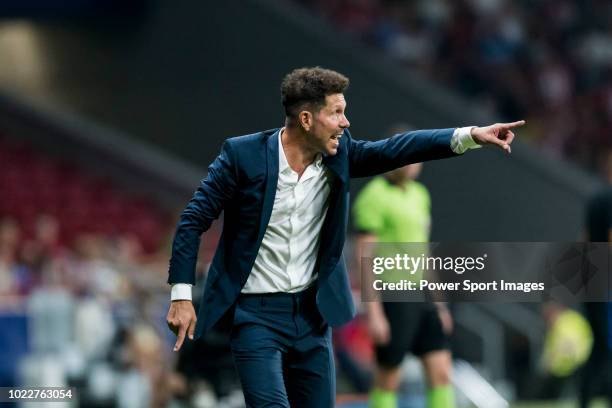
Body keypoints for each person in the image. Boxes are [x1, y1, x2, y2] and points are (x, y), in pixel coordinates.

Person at [165, 66, 524, 407]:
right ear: (306, 119)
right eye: (337, 112)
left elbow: (397, 149)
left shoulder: (341, 155)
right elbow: (192, 220)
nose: (345, 122)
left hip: (311, 315)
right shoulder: (242, 156)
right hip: (255, 316)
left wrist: (470, 136)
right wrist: (181, 296)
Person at [352, 160, 454, 408]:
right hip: (393, 293)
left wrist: (440, 304)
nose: (413, 165)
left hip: (422, 294)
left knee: (441, 371)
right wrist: (374, 312)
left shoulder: (420, 194)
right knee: (389, 377)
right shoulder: (374, 196)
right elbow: (363, 256)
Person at [581, 148, 612, 408]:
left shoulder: (596, 199)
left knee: (601, 347)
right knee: (605, 346)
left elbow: (586, 238)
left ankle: (584, 400)